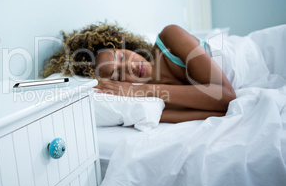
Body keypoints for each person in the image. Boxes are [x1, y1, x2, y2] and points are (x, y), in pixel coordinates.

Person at [41, 22, 236, 123]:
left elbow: (225, 97)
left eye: (122, 57)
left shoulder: (170, 37)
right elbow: (220, 111)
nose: (130, 68)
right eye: (117, 76)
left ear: (125, 46)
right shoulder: (150, 101)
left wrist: (143, 90)